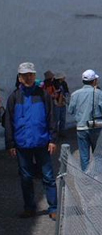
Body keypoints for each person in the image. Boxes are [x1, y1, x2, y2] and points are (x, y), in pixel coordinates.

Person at [4, 63, 58, 220]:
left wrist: (52, 139)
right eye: (25, 75)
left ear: (34, 75)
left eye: (31, 74)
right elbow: (8, 122)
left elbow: (51, 118)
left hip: (42, 143)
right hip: (22, 145)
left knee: (48, 176)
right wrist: (10, 144)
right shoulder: (14, 97)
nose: (28, 77)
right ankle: (29, 208)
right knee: (26, 178)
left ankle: (53, 207)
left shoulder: (43, 95)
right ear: (20, 77)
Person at [68, 69, 102, 172]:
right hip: (96, 126)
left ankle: (87, 177)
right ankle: (98, 176)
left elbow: (70, 110)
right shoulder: (99, 93)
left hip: (81, 127)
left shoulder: (75, 94)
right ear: (94, 81)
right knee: (98, 153)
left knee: (84, 155)